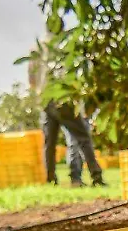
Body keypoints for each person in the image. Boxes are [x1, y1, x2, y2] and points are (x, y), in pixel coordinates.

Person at [28, 48, 105, 187]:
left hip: (45, 101)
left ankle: (51, 179)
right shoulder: (58, 48)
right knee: (83, 138)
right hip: (61, 99)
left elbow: (32, 82)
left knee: (49, 145)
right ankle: (96, 177)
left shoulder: (35, 53)